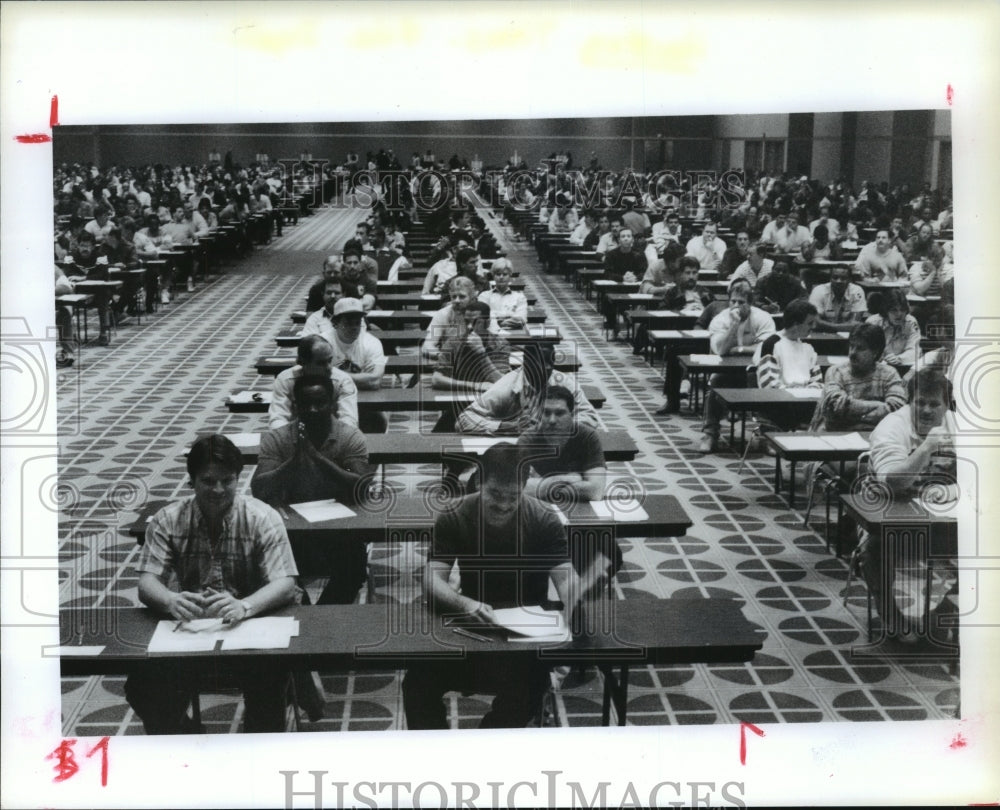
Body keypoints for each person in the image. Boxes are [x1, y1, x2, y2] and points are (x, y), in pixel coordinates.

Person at [124, 435, 300, 734]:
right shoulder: (167, 519)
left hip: (253, 626)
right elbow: (147, 582)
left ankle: (258, 752)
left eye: (227, 481)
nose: (218, 490)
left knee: (268, 689)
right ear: (191, 481)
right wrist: (170, 600)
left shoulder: (262, 517)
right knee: (143, 687)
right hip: (193, 629)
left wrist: (245, 605)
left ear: (238, 479)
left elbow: (285, 582)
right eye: (207, 481)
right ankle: (190, 741)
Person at [402, 443, 582, 730]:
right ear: (479, 482)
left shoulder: (544, 518)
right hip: (474, 627)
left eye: (514, 496)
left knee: (529, 690)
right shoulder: (455, 514)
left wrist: (570, 619)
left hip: (525, 638)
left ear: (524, 488)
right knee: (416, 683)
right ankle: (434, 749)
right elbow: (431, 578)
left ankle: (486, 746)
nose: (504, 504)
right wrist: (464, 603)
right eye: (496, 494)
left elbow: (566, 579)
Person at [252, 375, 373, 605]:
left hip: (341, 529)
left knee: (353, 570)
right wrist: (292, 463)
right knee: (278, 576)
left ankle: (324, 613)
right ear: (295, 405)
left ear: (332, 403)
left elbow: (363, 486)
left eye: (320, 403)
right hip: (292, 531)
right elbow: (258, 488)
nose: (313, 410)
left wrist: (317, 458)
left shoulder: (349, 436)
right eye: (305, 404)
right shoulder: (277, 438)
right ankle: (304, 610)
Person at [863, 368, 958, 643]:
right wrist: (926, 448)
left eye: (934, 404)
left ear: (947, 406)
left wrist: (952, 490)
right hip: (886, 513)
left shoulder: (958, 425)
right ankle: (890, 613)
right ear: (909, 402)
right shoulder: (891, 427)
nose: (926, 410)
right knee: (876, 548)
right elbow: (894, 483)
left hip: (938, 518)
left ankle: (941, 609)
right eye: (920, 403)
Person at [517, 386, 616, 596]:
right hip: (542, 520)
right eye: (546, 413)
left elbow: (595, 490)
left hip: (581, 518)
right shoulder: (528, 438)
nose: (552, 420)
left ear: (572, 414)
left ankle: (582, 593)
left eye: (559, 413)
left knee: (611, 554)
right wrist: (569, 478)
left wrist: (542, 485)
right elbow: (518, 489)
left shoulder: (586, 436)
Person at [698, 280, 776, 453]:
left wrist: (740, 349)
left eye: (741, 302)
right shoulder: (720, 319)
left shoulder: (763, 318)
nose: (736, 306)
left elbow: (767, 347)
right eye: (733, 301)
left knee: (769, 386)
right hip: (727, 371)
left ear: (750, 303)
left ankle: (767, 435)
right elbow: (721, 350)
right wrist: (734, 325)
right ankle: (710, 433)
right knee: (715, 385)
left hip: (755, 371)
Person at [457, 343, 599, 435]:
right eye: (540, 364)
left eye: (550, 363)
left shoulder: (564, 383)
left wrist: (559, 426)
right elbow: (464, 420)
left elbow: (589, 417)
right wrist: (507, 426)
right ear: (526, 364)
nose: (547, 368)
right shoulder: (507, 386)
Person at [820, 323, 906, 432]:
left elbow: (897, 408)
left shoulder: (889, 373)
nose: (852, 353)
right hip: (840, 434)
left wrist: (853, 409)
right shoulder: (835, 372)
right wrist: (880, 407)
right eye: (852, 346)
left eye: (860, 348)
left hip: (876, 435)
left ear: (875, 352)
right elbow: (837, 405)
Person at [269, 334, 359, 430]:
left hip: (333, 435)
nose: (329, 368)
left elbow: (349, 421)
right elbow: (277, 420)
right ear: (303, 362)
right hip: (295, 435)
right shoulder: (285, 380)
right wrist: (288, 436)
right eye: (321, 363)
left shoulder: (343, 381)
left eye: (330, 361)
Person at [866, 289, 922, 370]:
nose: (899, 314)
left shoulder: (911, 322)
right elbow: (868, 351)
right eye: (894, 310)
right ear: (886, 310)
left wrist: (899, 358)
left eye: (902, 310)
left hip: (903, 366)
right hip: (877, 367)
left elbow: (915, 350)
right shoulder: (873, 323)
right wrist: (882, 359)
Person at [808, 265, 868, 333]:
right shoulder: (819, 290)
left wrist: (827, 326)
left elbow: (855, 323)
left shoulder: (856, 291)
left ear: (849, 280)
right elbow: (815, 321)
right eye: (835, 277)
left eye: (843, 278)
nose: (838, 281)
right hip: (822, 333)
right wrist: (841, 327)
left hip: (846, 334)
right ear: (830, 278)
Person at [478, 259, 527, 331]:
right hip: (491, 334)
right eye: (498, 274)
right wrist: (510, 315)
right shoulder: (484, 296)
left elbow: (521, 319)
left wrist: (495, 317)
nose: (501, 277)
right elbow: (484, 317)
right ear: (493, 276)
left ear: (510, 276)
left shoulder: (519, 297)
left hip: (514, 333)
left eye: (505, 274)